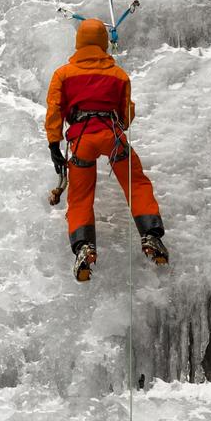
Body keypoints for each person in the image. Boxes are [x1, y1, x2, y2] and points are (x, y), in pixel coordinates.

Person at [45, 18, 169, 282]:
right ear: (103, 43)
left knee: (80, 198)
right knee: (136, 183)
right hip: (110, 135)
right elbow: (126, 114)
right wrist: (117, 123)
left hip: (81, 140)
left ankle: (83, 247)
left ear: (79, 43)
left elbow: (54, 109)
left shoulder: (63, 74)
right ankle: (151, 235)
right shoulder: (118, 74)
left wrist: (53, 144)